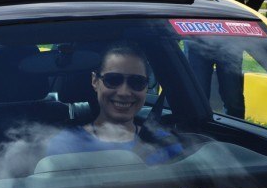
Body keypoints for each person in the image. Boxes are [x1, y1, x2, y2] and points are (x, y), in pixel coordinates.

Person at [46, 42, 181, 164]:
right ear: (94, 81)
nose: (124, 92)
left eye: (137, 82)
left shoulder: (165, 143)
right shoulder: (66, 145)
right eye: (113, 80)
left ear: (146, 86)